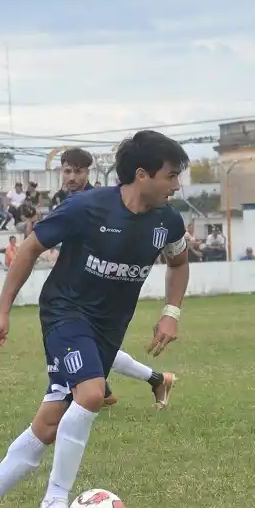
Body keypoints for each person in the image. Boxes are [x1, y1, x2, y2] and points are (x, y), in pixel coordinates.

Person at [0, 130, 191, 508]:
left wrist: (171, 313)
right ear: (142, 174)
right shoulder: (86, 208)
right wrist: (2, 310)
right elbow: (28, 249)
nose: (176, 185)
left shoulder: (167, 221)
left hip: (108, 329)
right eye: (171, 175)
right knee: (93, 392)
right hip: (65, 314)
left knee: (47, 426)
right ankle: (54, 501)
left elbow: (179, 262)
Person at [55, 146, 177, 409]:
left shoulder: (99, 202)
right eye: (67, 171)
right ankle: (148, 380)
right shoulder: (67, 200)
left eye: (79, 171)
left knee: (75, 348)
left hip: (99, 293)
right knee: (77, 348)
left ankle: (143, 381)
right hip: (73, 291)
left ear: (89, 173)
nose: (72, 177)